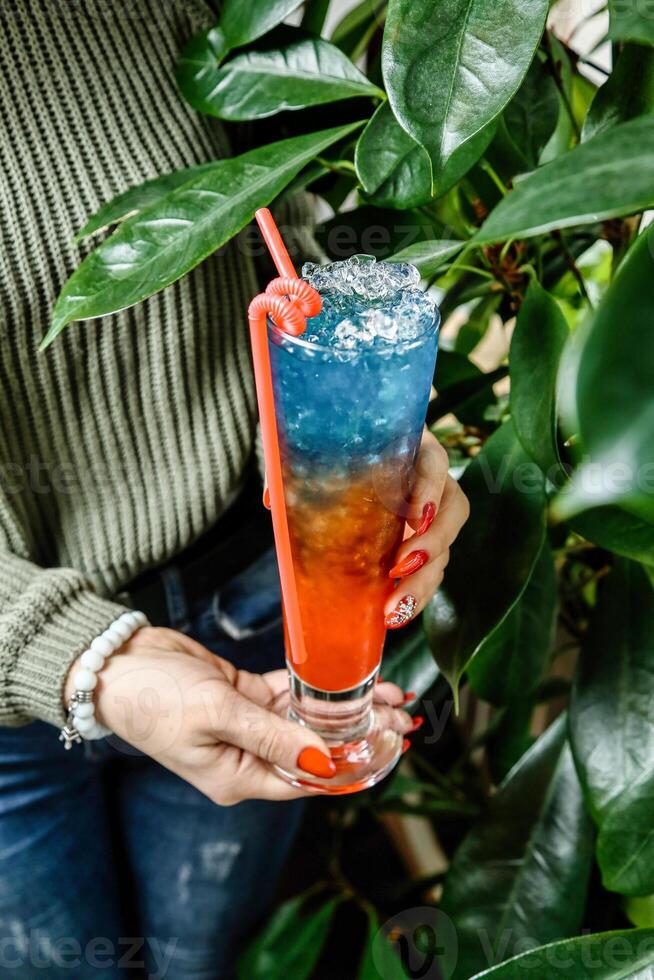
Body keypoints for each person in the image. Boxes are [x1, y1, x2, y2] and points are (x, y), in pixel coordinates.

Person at [0, 1, 470, 977]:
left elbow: (277, 200)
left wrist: (338, 429)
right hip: (11, 679)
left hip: (250, 582)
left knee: (197, 953)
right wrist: (84, 660)